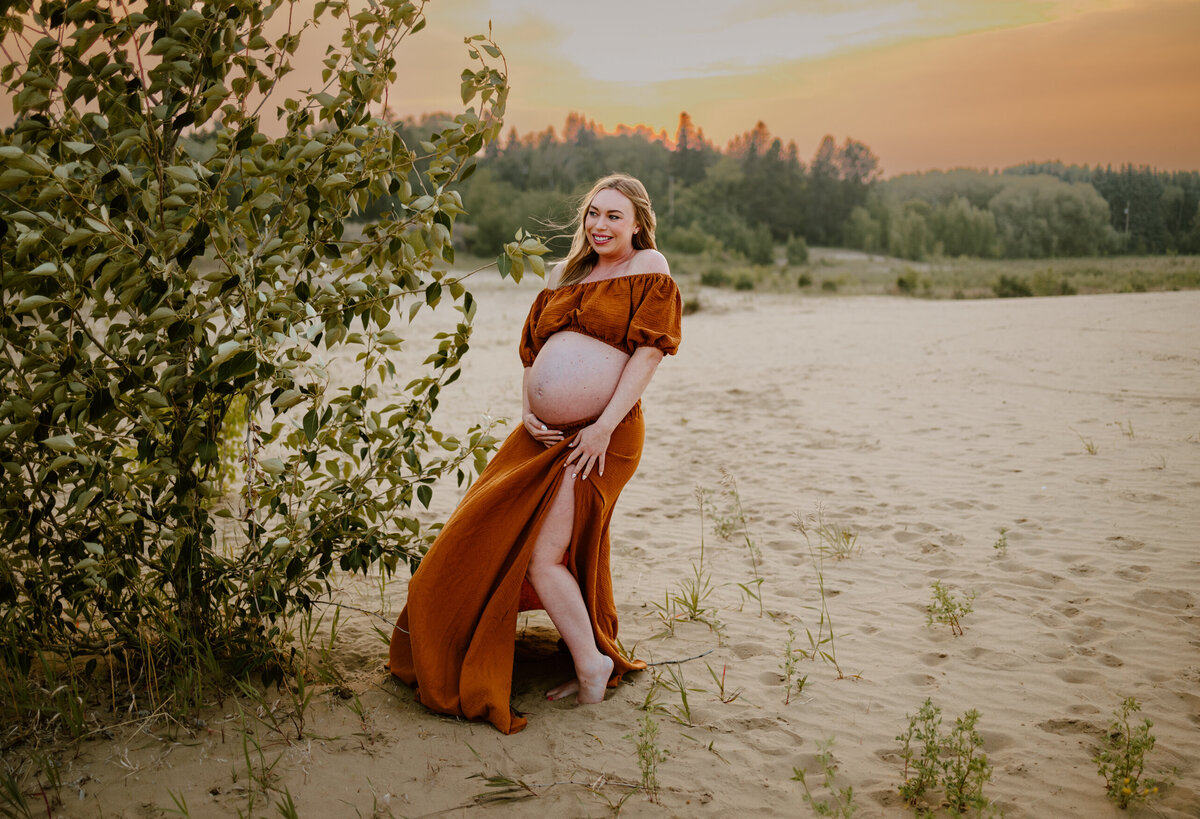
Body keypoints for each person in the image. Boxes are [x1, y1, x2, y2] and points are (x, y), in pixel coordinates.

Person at [388, 173, 682, 734]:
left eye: (614, 216)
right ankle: (580, 652)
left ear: (638, 223)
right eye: (594, 213)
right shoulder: (562, 276)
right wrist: (529, 408)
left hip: (603, 436)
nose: (600, 224)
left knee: (543, 553)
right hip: (540, 434)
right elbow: (533, 355)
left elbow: (648, 356)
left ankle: (592, 664)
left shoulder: (651, 269)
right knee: (478, 533)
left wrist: (599, 428)